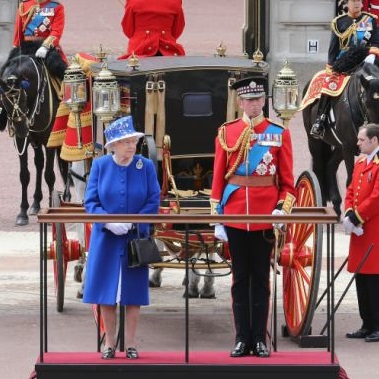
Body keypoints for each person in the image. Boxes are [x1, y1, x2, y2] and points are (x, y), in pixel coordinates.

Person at [210, 77, 296, 357]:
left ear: (264, 101)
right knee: (238, 280)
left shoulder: (278, 133)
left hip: (263, 218)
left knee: (260, 279)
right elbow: (219, 180)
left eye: (258, 99)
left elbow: (287, 182)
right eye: (248, 100)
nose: (254, 104)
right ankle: (241, 337)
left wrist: (282, 208)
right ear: (240, 102)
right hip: (235, 216)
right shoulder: (227, 132)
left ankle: (259, 338)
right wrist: (217, 217)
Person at [83, 116, 161, 359]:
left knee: (133, 293)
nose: (131, 146)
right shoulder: (100, 166)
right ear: (113, 145)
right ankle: (109, 344)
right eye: (126, 142)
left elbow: (153, 200)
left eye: (133, 141)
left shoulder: (145, 166)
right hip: (106, 238)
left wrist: (134, 222)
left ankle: (130, 345)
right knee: (107, 293)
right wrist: (107, 220)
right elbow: (91, 202)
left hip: (134, 239)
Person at [311, 0, 379, 139]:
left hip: (367, 60)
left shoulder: (370, 20)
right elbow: (333, 48)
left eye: (359, 1)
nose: (357, 4)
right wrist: (331, 68)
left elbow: (376, 41)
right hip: (345, 63)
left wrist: (372, 55)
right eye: (353, 1)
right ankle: (320, 120)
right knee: (329, 86)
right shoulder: (339, 22)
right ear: (346, 4)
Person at [343, 123, 379, 343]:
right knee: (361, 279)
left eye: (361, 140)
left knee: (374, 281)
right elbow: (350, 190)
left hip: (373, 230)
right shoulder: (360, 163)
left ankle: (377, 324)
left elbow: (376, 198)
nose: (357, 143)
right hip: (360, 231)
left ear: (374, 141)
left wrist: (356, 216)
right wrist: (348, 211)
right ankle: (367, 323)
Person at [118, 0, 185, 59]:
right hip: (168, 50)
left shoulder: (133, 1)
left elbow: (128, 29)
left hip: (139, 49)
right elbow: (177, 29)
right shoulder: (176, 1)